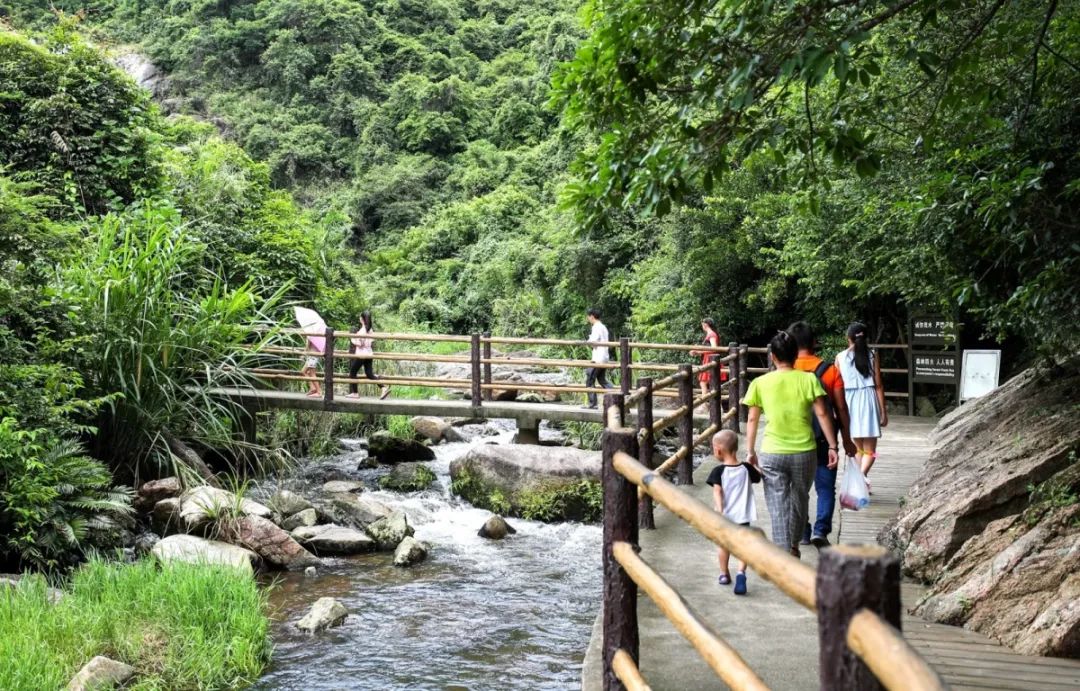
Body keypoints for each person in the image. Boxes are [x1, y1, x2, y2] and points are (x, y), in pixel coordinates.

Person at [743, 330, 839, 558]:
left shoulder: (760, 382)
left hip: (772, 451)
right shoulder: (808, 379)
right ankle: (793, 545)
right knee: (800, 498)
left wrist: (750, 451)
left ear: (773, 357)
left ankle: (783, 550)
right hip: (804, 451)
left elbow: (752, 418)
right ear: (795, 355)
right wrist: (833, 446)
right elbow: (823, 414)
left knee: (777, 503)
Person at [789, 321, 856, 548]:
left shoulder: (786, 371)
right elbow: (841, 408)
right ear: (814, 342)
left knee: (798, 489)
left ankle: (804, 531)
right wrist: (846, 440)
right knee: (825, 487)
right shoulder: (830, 371)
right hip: (824, 438)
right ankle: (821, 530)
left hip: (795, 439)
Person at [706, 429, 760, 595]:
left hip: (726, 517)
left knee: (723, 546)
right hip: (743, 517)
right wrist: (754, 463)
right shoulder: (746, 468)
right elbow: (758, 476)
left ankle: (724, 574)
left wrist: (720, 511)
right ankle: (741, 573)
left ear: (718, 450)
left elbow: (717, 492)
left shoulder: (718, 472)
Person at [836, 322, 887, 481]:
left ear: (848, 338)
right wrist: (883, 412)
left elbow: (837, 386)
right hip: (869, 400)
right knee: (871, 451)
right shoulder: (872, 355)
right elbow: (878, 385)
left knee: (858, 449)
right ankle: (862, 477)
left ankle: (860, 479)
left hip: (849, 400)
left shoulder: (840, 357)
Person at [345, 311, 390, 400]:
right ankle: (384, 387)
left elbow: (360, 344)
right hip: (369, 353)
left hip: (362, 355)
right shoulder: (370, 330)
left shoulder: (362, 330)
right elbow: (370, 342)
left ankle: (355, 393)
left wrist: (352, 339)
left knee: (353, 372)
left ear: (362, 319)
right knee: (369, 374)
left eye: (360, 317)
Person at [689, 318, 726, 403]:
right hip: (708, 359)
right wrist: (697, 352)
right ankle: (711, 405)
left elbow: (714, 348)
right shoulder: (710, 334)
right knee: (709, 383)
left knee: (704, 382)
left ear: (705, 325)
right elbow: (709, 349)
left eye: (702, 324)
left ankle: (704, 404)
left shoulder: (712, 334)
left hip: (710, 360)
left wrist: (699, 351)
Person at [583, 308, 613, 409]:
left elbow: (593, 340)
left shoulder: (596, 327)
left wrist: (587, 341)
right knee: (602, 381)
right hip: (604, 357)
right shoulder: (603, 327)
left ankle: (593, 404)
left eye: (588, 317)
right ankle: (617, 397)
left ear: (592, 316)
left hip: (598, 358)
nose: (588, 319)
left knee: (590, 380)